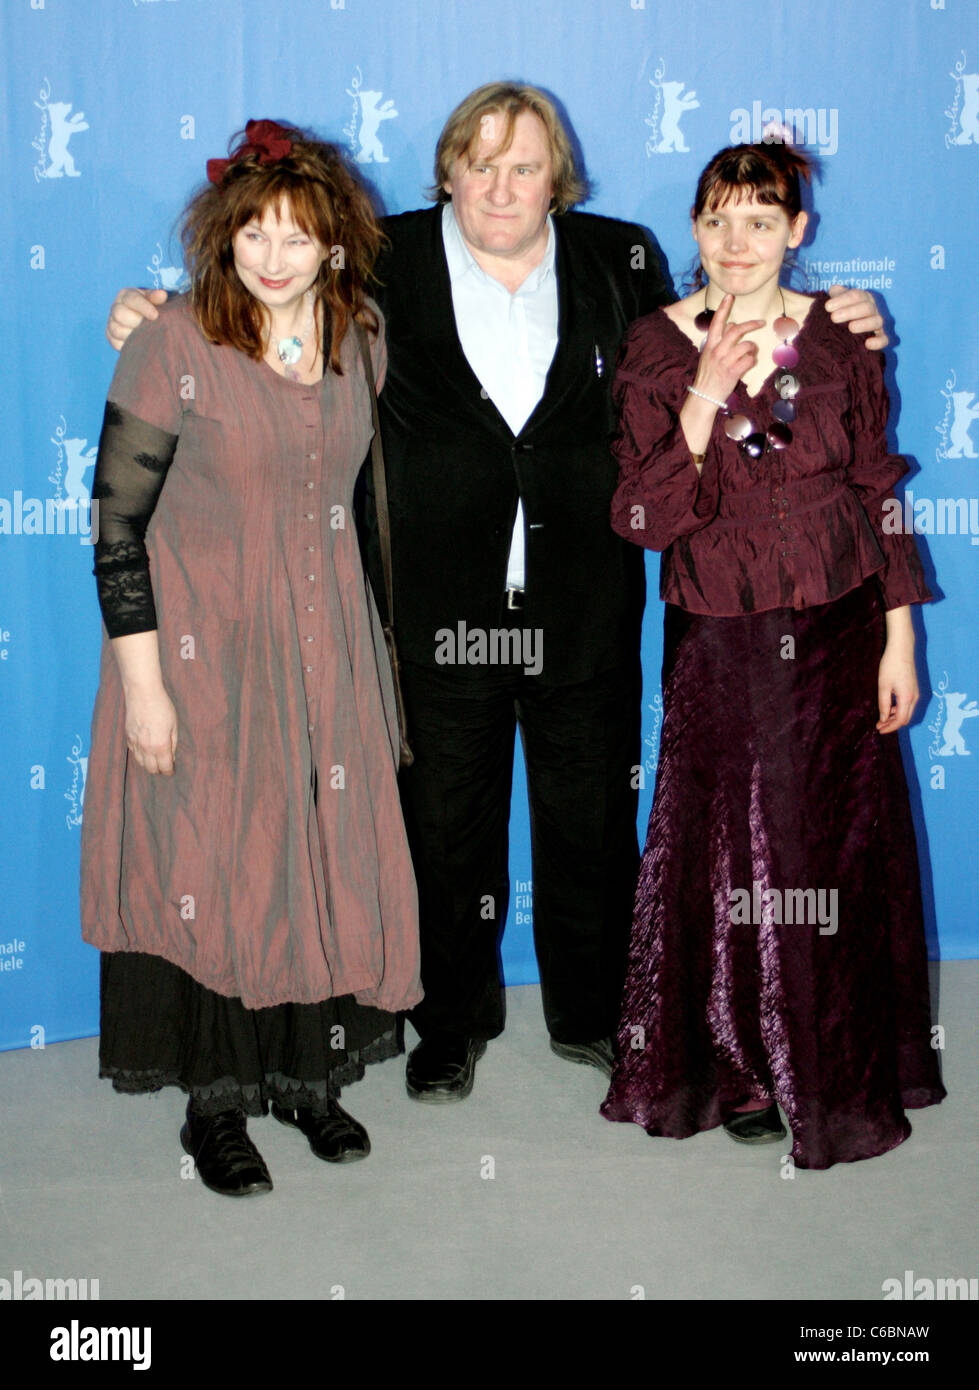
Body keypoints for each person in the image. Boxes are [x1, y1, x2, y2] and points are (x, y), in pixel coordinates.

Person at [105, 83, 886, 1105]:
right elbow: (269, 286)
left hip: (583, 602)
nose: (500, 185)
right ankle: (450, 1026)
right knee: (442, 826)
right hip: (434, 610)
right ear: (447, 175)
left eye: (522, 165)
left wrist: (835, 310)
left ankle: (602, 1015)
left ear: (553, 175)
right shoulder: (379, 255)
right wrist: (158, 306)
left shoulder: (625, 256)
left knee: (590, 825)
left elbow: (726, 314)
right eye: (478, 165)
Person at [82, 120, 422, 1198]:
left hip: (329, 656)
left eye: (298, 235)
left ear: (334, 244)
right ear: (223, 239)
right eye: (254, 233)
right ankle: (216, 1104)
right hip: (202, 651)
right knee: (216, 872)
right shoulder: (172, 342)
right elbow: (116, 529)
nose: (274, 255)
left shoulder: (361, 334)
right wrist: (145, 685)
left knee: (319, 859)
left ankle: (303, 1078)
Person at [600, 139, 945, 1168]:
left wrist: (899, 633)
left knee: (835, 843)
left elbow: (876, 485)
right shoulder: (657, 346)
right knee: (738, 848)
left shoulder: (843, 334)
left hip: (841, 628)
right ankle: (741, 1058)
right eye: (717, 220)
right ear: (694, 232)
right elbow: (639, 512)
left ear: (797, 231)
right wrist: (703, 394)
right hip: (723, 635)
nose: (737, 241)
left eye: (761, 220)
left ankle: (844, 1055)